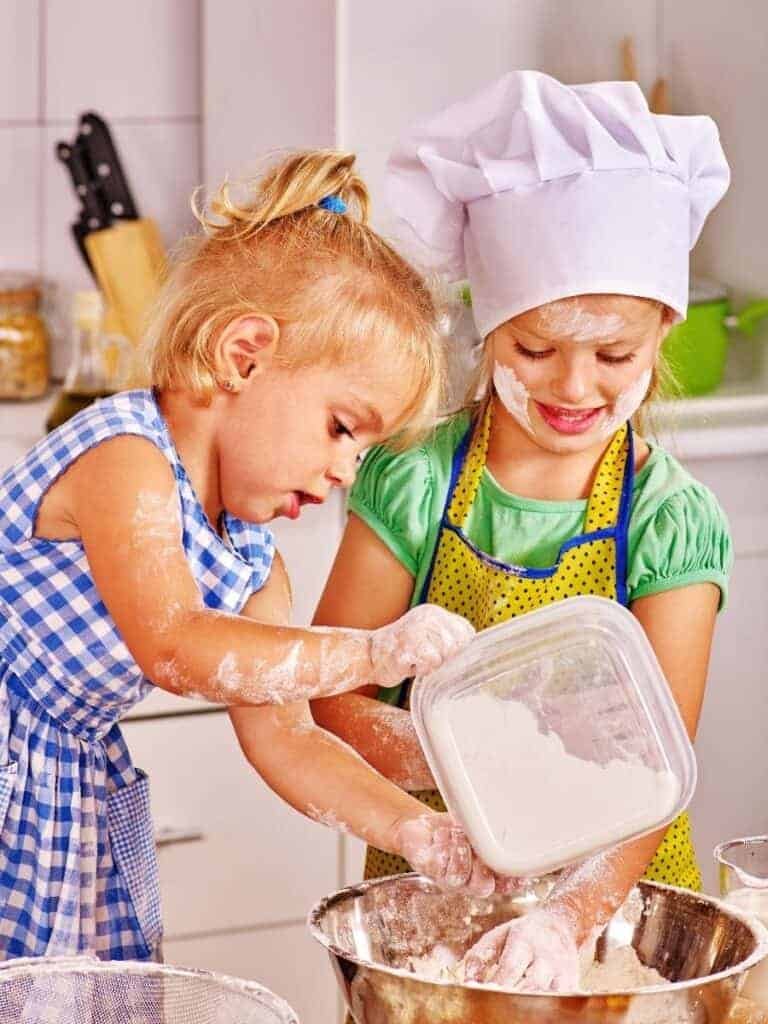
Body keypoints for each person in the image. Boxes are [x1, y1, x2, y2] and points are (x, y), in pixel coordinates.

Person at [0, 150, 498, 963]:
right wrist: (369, 653)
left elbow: (290, 743)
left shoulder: (253, 564)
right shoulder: (125, 459)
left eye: (364, 453)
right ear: (244, 356)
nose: (344, 473)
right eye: (343, 427)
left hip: (59, 796)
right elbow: (174, 644)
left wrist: (418, 832)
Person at [312, 72, 732, 990]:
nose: (573, 387)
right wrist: (467, 774)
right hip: (438, 883)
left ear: (664, 330)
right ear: (485, 328)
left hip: (610, 905)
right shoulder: (413, 480)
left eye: (613, 354)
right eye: (533, 349)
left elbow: (656, 770)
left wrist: (567, 920)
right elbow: (334, 702)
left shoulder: (670, 522)